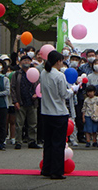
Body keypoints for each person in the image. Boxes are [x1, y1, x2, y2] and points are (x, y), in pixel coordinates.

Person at [40, 50, 75, 180]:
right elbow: (64, 94)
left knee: (48, 142)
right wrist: (72, 90)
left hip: (46, 112)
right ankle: (56, 171)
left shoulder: (43, 73)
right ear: (58, 61)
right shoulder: (59, 76)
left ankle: (46, 168)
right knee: (58, 144)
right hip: (59, 113)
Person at [10, 55, 40, 149]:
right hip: (21, 102)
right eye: (24, 60)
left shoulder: (35, 72)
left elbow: (39, 85)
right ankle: (18, 141)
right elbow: (13, 88)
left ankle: (32, 141)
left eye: (28, 60)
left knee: (33, 123)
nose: (26, 62)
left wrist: (37, 94)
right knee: (19, 124)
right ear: (20, 62)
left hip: (32, 102)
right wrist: (15, 101)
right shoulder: (17, 74)